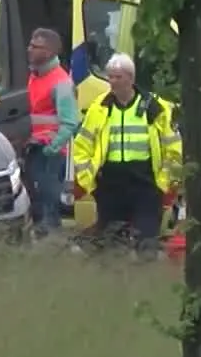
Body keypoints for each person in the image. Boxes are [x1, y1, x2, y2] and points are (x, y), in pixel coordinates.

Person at [72, 53, 180, 254]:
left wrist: (163, 183)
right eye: (110, 76)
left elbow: (173, 149)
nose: (112, 81)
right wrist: (89, 182)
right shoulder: (100, 108)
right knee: (110, 244)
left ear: (130, 78)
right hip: (111, 184)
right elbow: (82, 146)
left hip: (145, 184)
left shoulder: (154, 108)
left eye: (117, 77)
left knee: (146, 242)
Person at [24, 27, 80, 239]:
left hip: (49, 153)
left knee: (48, 205)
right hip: (34, 148)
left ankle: (52, 244)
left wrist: (51, 148)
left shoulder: (60, 82)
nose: (29, 49)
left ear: (48, 52)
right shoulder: (35, 76)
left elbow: (69, 123)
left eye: (34, 46)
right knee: (37, 203)